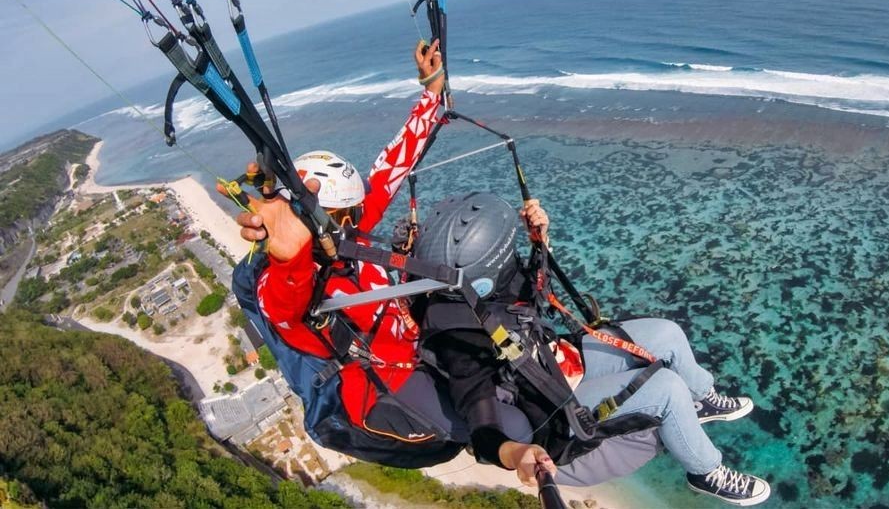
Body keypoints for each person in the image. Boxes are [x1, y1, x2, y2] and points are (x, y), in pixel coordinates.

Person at [411, 192, 771, 506]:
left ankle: (702, 397)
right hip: (555, 408)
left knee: (666, 333)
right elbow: (483, 426)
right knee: (666, 389)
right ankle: (706, 471)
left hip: (559, 364)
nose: (513, 260)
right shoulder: (459, 338)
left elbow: (533, 286)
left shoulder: (488, 285)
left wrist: (540, 238)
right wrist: (514, 453)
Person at [226, 39, 477, 467]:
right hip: (372, 399)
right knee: (479, 420)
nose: (359, 218)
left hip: (408, 357)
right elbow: (283, 310)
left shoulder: (349, 233)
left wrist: (430, 95)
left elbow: (391, 169)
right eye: (348, 214)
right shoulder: (295, 288)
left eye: (355, 210)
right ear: (323, 217)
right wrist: (289, 257)